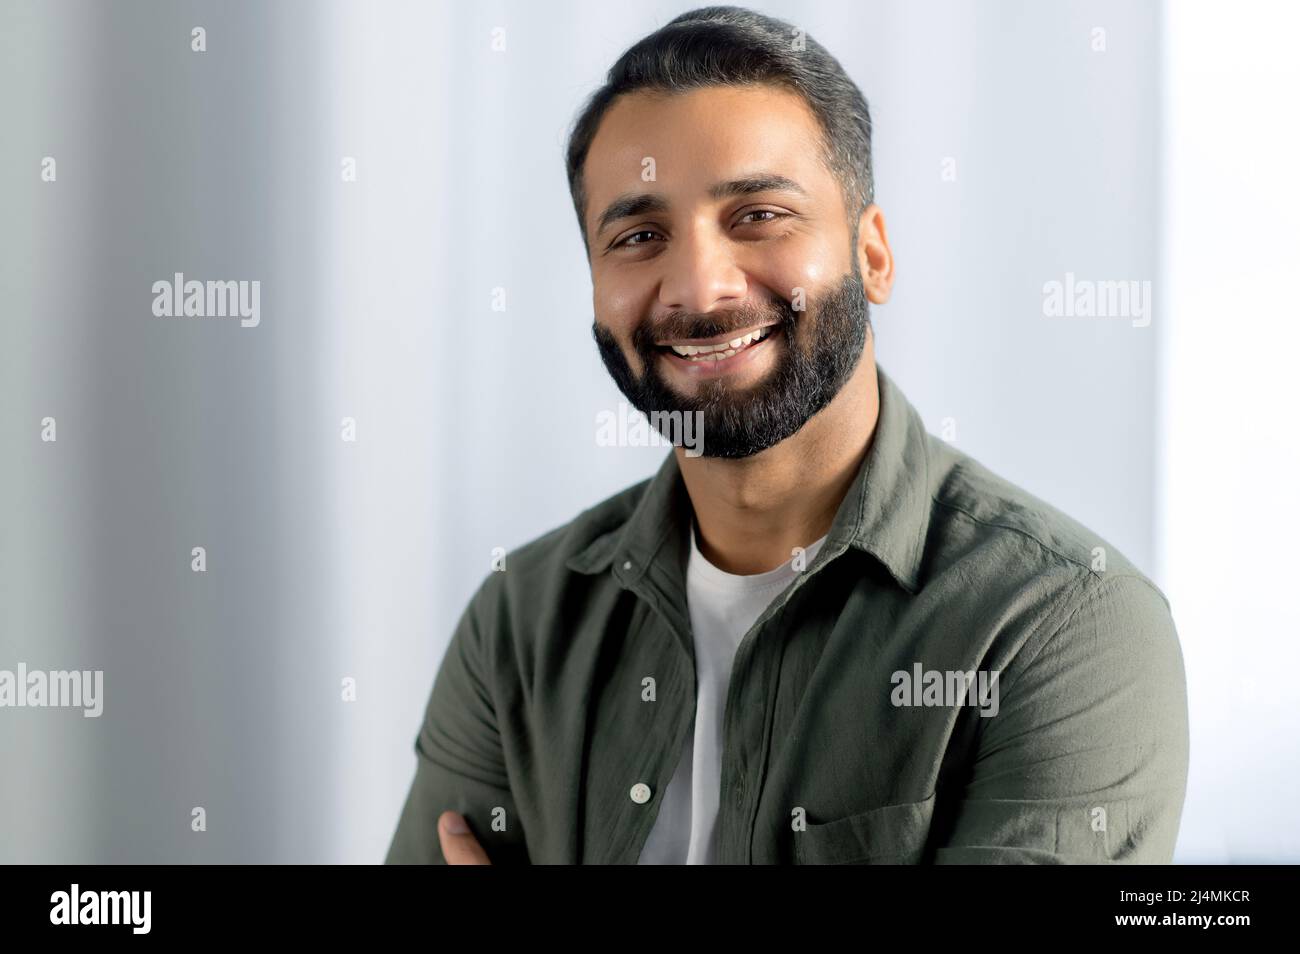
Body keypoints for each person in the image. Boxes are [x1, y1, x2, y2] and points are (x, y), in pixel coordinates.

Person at [385, 5, 1188, 865]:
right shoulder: (521, 619)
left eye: (759, 215)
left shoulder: (1064, 626)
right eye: (639, 236)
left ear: (872, 255)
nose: (698, 287)